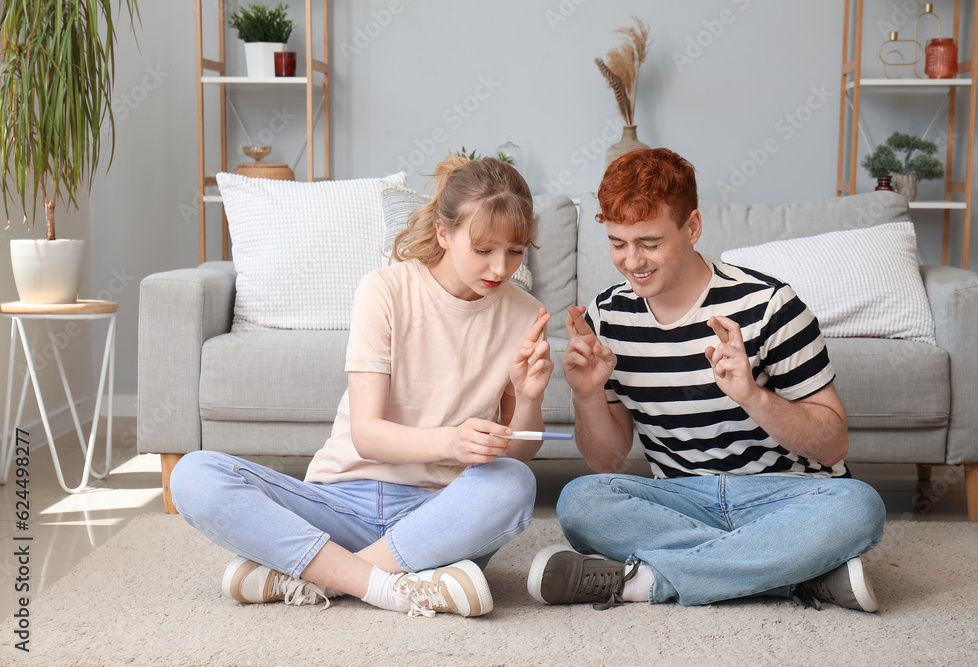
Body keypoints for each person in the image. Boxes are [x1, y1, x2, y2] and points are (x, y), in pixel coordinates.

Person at [171, 155, 553, 618]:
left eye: (515, 251)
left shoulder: (525, 314)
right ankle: (399, 585)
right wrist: (453, 441)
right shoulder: (385, 290)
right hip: (339, 499)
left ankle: (320, 576)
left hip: (436, 516)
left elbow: (517, 451)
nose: (500, 267)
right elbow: (368, 436)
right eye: (484, 250)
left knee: (514, 483)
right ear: (443, 233)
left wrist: (529, 396)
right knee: (194, 475)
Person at [527, 148, 886, 613]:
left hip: (784, 494)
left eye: (650, 243)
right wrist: (588, 393)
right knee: (580, 500)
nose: (632, 261)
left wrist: (753, 396)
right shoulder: (608, 316)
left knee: (859, 507)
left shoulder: (770, 305)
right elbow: (608, 462)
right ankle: (793, 571)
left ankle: (646, 581)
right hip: (682, 496)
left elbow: (833, 445)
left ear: (692, 228)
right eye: (618, 243)